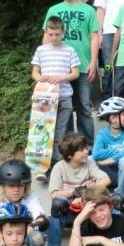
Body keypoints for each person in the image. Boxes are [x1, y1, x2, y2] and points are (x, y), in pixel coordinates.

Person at [44, 0, 100, 146]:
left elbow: (94, 37)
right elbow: (46, 37)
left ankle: (87, 145)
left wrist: (93, 63)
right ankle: (68, 145)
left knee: (83, 106)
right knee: (64, 107)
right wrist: (45, 65)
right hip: (59, 68)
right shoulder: (54, 10)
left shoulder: (88, 10)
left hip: (83, 65)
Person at [47, 133, 111, 246]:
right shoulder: (59, 167)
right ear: (70, 155)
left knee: (112, 201)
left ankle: (111, 238)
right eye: (81, 150)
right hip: (69, 211)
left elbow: (106, 179)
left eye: (86, 148)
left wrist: (84, 192)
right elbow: (54, 194)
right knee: (57, 204)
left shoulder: (89, 163)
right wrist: (74, 192)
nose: (86, 152)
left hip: (88, 208)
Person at [30, 15, 80, 177]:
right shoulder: (41, 50)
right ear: (46, 32)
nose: (54, 38)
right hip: (44, 97)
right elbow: (35, 72)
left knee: (60, 133)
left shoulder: (69, 50)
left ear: (63, 32)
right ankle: (42, 168)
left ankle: (57, 167)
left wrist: (61, 78)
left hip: (64, 96)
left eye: (57, 34)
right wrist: (40, 79)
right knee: (43, 132)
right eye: (51, 34)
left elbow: (75, 73)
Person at [92, 97, 124, 207]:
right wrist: (118, 150)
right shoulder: (102, 134)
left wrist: (106, 161)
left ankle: (119, 196)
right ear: (113, 118)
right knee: (89, 159)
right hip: (107, 175)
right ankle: (92, 192)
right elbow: (96, 154)